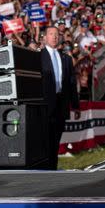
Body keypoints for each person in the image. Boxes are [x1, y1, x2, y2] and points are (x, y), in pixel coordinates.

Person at [41, 26, 80, 170]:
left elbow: (71, 83)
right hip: (45, 106)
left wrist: (75, 106)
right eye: (51, 34)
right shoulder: (38, 56)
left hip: (61, 105)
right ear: (45, 37)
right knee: (45, 138)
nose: (54, 37)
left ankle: (52, 168)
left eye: (57, 34)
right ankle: (43, 167)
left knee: (56, 138)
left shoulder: (66, 58)